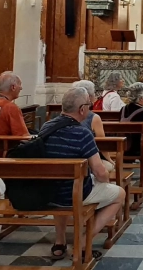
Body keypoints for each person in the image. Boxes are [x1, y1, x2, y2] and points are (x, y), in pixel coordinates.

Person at [43, 87, 125, 261]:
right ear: (82, 109)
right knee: (119, 194)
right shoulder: (82, 133)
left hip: (47, 190)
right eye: (88, 105)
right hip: (74, 192)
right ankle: (82, 243)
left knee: (62, 183)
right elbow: (100, 171)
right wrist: (102, 181)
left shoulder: (46, 126)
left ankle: (60, 242)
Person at [72, 80, 114, 171]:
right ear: (89, 97)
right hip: (88, 161)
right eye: (94, 93)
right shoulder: (94, 118)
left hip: (67, 159)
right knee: (110, 167)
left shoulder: (65, 115)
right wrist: (110, 160)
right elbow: (103, 145)